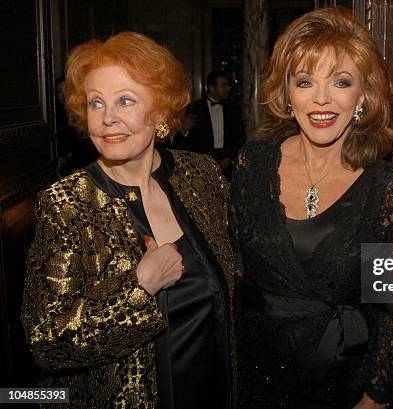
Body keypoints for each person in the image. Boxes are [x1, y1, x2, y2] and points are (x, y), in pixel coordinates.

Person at [21, 32, 237, 408]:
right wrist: (139, 287)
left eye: (125, 101)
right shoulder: (67, 203)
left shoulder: (200, 175)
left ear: (159, 112)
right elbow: (47, 342)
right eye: (96, 103)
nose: (107, 120)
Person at [231, 7, 393, 409]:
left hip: (344, 381)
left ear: (362, 95)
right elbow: (236, 268)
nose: (321, 99)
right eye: (305, 81)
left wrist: (374, 397)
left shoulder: (387, 186)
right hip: (256, 375)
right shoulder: (253, 163)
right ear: (288, 93)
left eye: (341, 82)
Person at [177, 70, 244, 176]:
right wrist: (184, 129)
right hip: (201, 166)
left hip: (227, 166)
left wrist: (228, 158)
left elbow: (239, 136)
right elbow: (183, 142)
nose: (228, 88)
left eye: (228, 85)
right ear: (212, 88)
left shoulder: (233, 109)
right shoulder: (195, 108)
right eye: (223, 85)